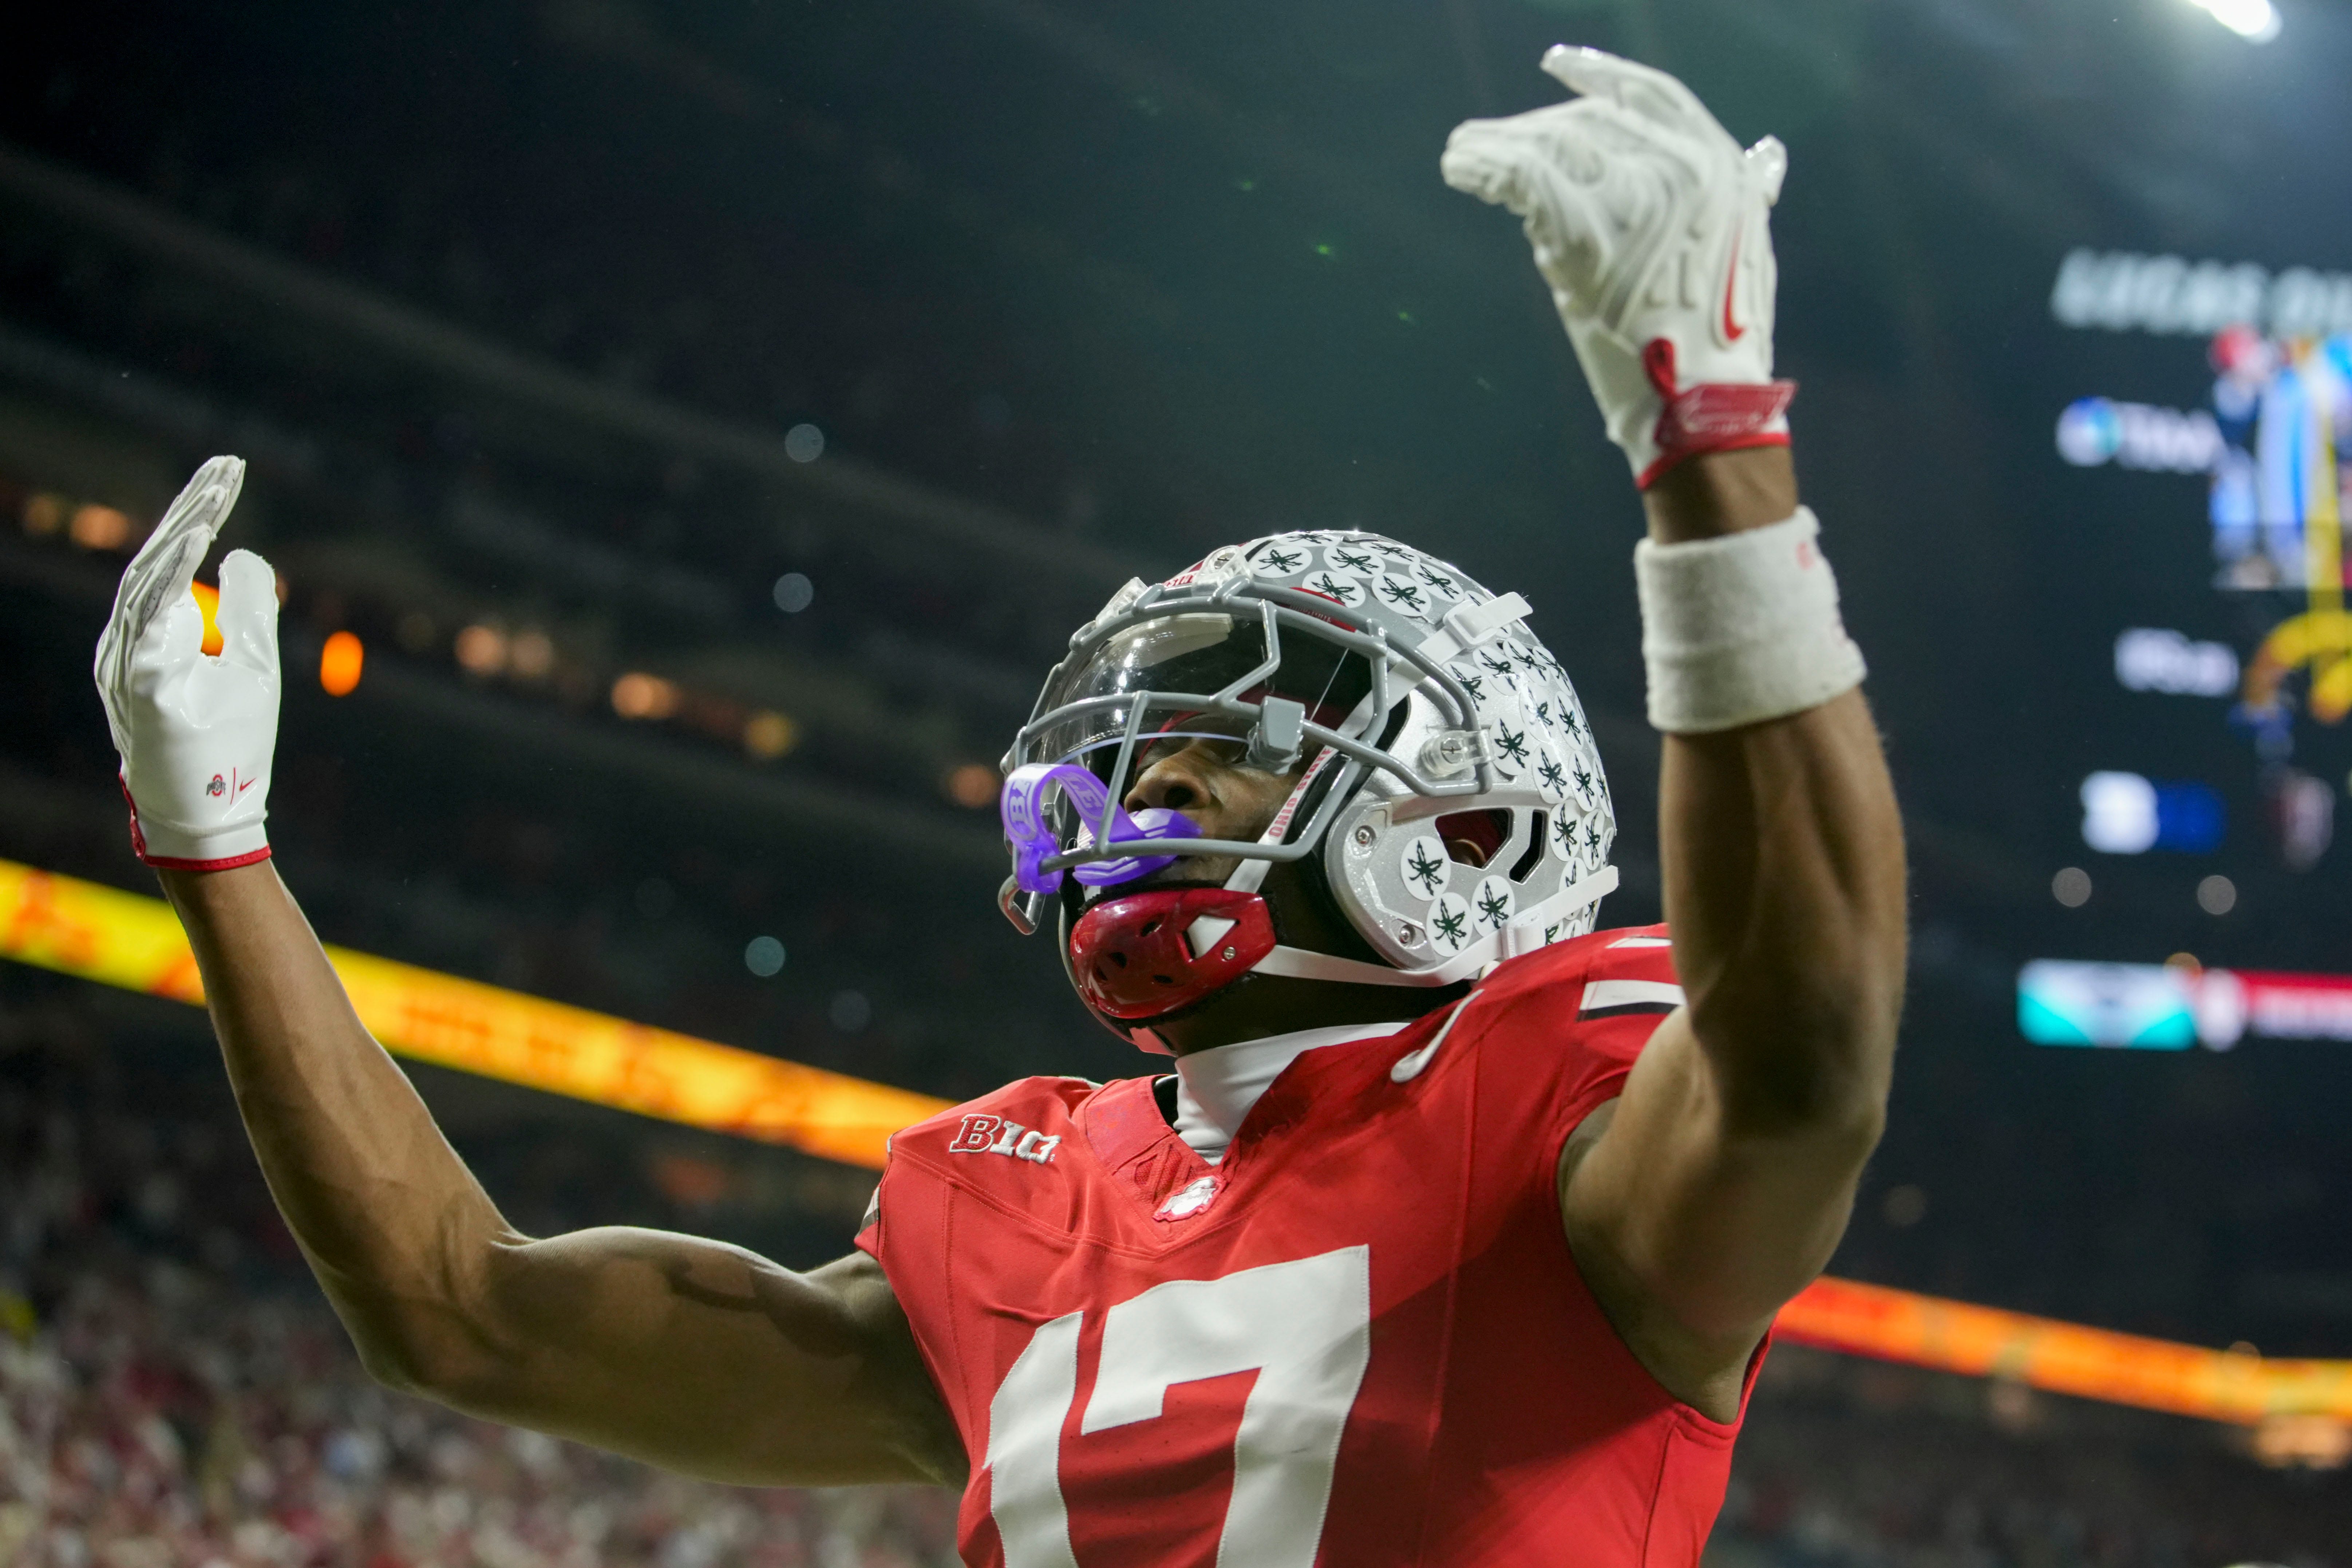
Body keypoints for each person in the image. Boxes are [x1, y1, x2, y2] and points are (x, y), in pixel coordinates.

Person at [91, 48, 1904, 1568]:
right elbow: (458, 1312)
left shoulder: (1551, 1119)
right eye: (1128, 753)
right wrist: (219, 851)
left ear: (1465, 832)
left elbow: (1804, 1055)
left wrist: (1713, 450)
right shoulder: (1014, 1202)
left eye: (1243, 740)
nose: (1153, 781)